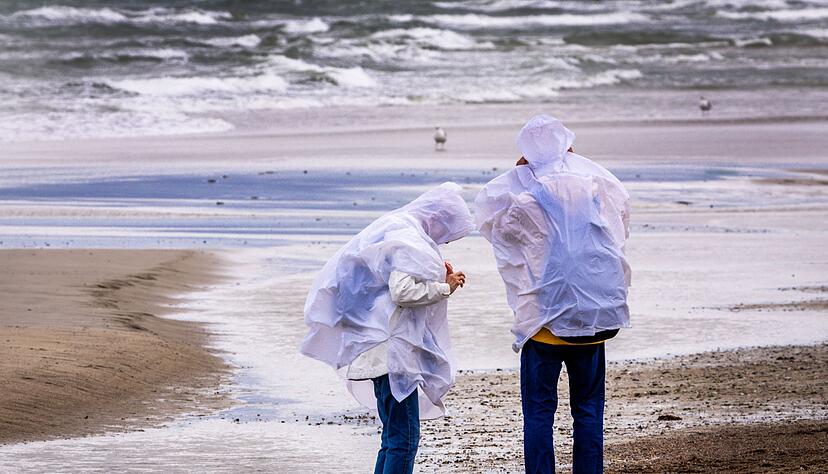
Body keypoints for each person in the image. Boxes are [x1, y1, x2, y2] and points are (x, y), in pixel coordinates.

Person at [475, 115, 631, 473]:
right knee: (589, 411)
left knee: (539, 414)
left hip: (544, 323)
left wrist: (521, 176)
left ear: (527, 153)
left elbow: (495, 225)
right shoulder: (592, 187)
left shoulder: (526, 197)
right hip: (593, 320)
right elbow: (620, 217)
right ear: (568, 147)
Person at [300, 182, 473, 474]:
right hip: (392, 355)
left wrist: (438, 276)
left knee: (392, 438)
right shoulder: (408, 239)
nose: (444, 240)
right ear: (438, 219)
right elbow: (402, 291)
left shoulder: (396, 230)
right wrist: (445, 287)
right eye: (447, 233)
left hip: (376, 351)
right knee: (405, 439)